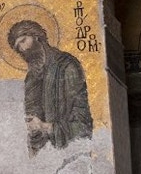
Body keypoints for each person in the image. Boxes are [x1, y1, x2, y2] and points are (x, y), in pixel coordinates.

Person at [7, 19, 93, 153]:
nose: (23, 49)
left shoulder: (66, 66)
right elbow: (32, 117)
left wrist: (46, 127)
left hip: (71, 152)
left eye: (23, 40)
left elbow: (83, 125)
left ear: (36, 36)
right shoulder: (31, 78)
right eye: (18, 48)